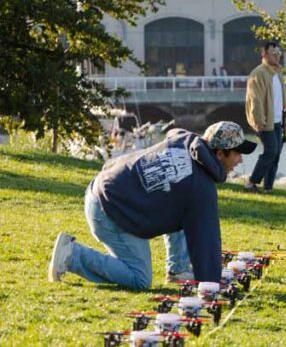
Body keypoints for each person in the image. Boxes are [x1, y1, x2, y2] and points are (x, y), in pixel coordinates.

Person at [48, 122, 256, 290]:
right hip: (110, 210)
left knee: (185, 207)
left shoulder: (185, 141)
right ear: (219, 154)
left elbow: (174, 133)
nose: (240, 160)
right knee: (140, 279)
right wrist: (210, 283)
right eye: (237, 153)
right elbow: (206, 238)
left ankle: (178, 270)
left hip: (104, 189)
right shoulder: (200, 189)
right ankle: (72, 255)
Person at [245, 41, 285, 192]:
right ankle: (251, 182)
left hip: (277, 121)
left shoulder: (276, 73)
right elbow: (254, 98)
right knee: (270, 152)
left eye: (278, 53)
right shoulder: (259, 73)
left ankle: (268, 187)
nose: (277, 56)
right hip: (265, 121)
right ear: (264, 54)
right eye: (273, 53)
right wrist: (258, 120)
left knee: (276, 154)